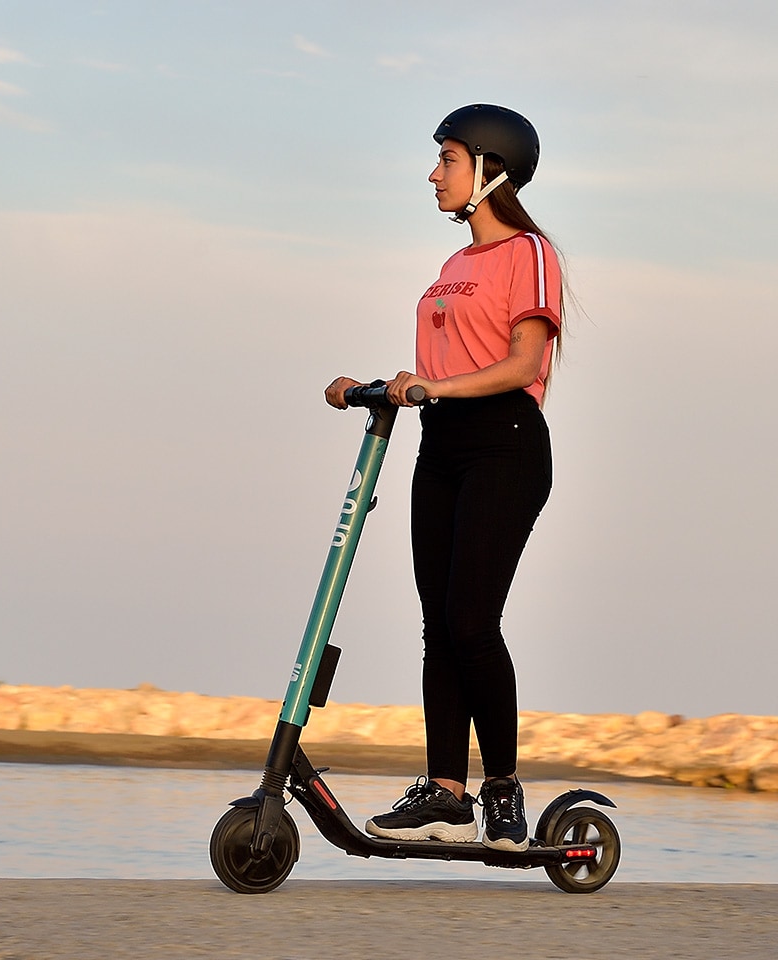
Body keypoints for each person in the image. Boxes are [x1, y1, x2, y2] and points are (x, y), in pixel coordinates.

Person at [324, 104, 562, 851]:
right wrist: (367, 386)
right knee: (438, 627)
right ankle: (445, 791)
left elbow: (524, 363)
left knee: (471, 622)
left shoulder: (529, 253)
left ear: (489, 171)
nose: (434, 174)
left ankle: (502, 792)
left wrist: (435, 389)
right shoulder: (452, 268)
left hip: (505, 445)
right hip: (443, 444)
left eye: (448, 160)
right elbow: (435, 372)